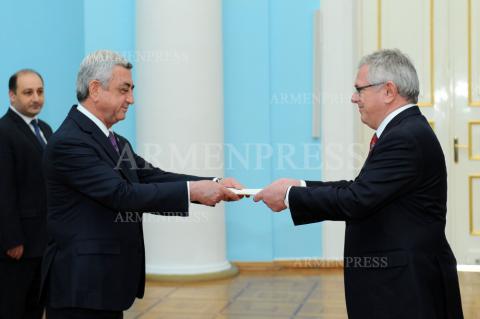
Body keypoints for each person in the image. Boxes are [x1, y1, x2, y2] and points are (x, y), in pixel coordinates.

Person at [254, 49, 464, 318]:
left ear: (388, 91)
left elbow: (357, 200)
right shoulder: (405, 130)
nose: (354, 98)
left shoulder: (405, 137)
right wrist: (301, 185)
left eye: (359, 89)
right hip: (401, 278)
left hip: (404, 285)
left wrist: (289, 196)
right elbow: (362, 189)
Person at [41, 50, 243, 319]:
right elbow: (121, 194)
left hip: (104, 284)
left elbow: (151, 176)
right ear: (95, 89)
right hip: (81, 286)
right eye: (124, 90)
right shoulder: (70, 141)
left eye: (132, 90)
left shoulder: (116, 141)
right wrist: (194, 191)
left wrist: (213, 184)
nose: (131, 99)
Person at [0, 69, 52, 319]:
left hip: (44, 241)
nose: (36, 98)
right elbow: (3, 189)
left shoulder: (46, 129)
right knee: (13, 308)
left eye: (40, 92)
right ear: (12, 96)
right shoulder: (4, 132)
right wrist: (11, 239)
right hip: (19, 245)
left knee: (35, 307)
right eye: (28, 92)